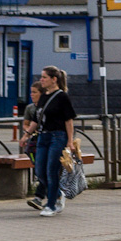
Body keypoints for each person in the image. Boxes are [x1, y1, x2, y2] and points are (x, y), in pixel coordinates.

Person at [32, 66, 76, 217]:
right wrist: (26, 135)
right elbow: (36, 118)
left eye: (44, 77)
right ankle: (58, 194)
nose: (41, 80)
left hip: (57, 137)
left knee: (52, 171)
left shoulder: (62, 96)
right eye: (41, 77)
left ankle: (51, 205)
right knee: (39, 170)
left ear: (54, 79)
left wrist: (70, 141)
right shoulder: (43, 96)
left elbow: (68, 120)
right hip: (43, 136)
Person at [20, 81, 47, 210]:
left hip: (49, 140)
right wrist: (27, 134)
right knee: (39, 169)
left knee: (46, 169)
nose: (32, 95)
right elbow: (27, 124)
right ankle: (54, 195)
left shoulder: (47, 106)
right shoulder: (30, 108)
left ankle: (41, 197)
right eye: (31, 92)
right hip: (35, 142)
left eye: (35, 92)